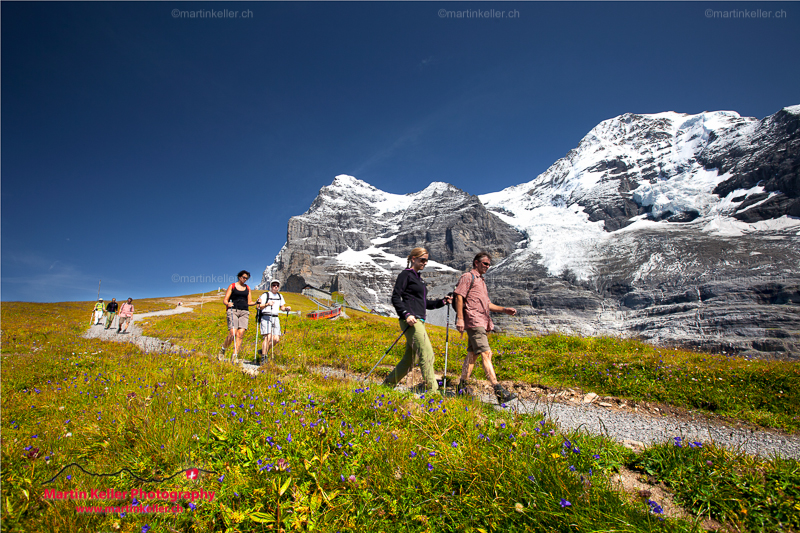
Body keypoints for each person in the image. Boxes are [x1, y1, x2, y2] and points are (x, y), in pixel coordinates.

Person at [383, 247, 452, 394]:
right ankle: (433, 393)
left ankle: (386, 386)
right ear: (413, 259)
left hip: (419, 320)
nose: (425, 263)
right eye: (422, 260)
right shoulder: (405, 275)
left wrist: (442, 302)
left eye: (427, 260)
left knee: (410, 361)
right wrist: (406, 314)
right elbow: (396, 297)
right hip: (411, 321)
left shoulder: (418, 278)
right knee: (427, 354)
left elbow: (423, 303)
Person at [454, 251, 518, 404]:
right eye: (485, 263)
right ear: (476, 262)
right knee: (486, 352)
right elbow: (459, 296)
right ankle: (498, 389)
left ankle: (461, 387)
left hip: (482, 321)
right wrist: (460, 319)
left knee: (472, 355)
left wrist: (504, 310)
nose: (488, 267)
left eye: (489, 264)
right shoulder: (468, 277)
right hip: (474, 321)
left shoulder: (481, 281)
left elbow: (487, 305)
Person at [220, 270, 256, 362]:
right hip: (233, 310)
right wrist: (228, 304)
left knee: (240, 334)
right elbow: (225, 300)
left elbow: (249, 302)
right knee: (232, 333)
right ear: (239, 277)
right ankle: (223, 349)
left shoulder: (247, 288)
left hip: (244, 312)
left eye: (246, 278)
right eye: (244, 277)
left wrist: (256, 303)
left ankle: (234, 356)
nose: (245, 279)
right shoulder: (232, 286)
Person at [257, 279, 291, 360]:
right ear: (271, 286)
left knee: (276, 339)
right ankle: (264, 358)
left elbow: (281, 307)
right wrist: (267, 304)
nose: (275, 287)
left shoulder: (280, 296)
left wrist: (286, 308)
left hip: (276, 317)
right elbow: (259, 307)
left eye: (277, 285)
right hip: (266, 316)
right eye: (274, 285)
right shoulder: (265, 295)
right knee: (268, 337)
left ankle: (263, 351)